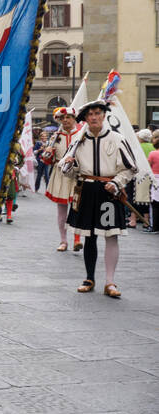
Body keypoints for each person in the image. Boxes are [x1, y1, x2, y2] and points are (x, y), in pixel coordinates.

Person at [64, 96, 136, 298]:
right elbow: (67, 170)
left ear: (104, 116)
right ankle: (89, 278)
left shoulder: (117, 139)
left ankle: (110, 282)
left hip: (109, 191)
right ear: (85, 118)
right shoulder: (79, 139)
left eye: (97, 113)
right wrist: (70, 165)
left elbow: (131, 168)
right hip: (86, 190)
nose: (94, 117)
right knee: (89, 236)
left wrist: (116, 183)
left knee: (111, 235)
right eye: (90, 114)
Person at [42, 105, 81, 251]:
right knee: (61, 210)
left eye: (68, 117)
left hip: (77, 174)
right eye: (62, 118)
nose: (65, 120)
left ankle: (77, 239)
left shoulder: (82, 135)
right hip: (60, 174)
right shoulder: (55, 137)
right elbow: (48, 161)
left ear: (74, 118)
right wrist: (48, 153)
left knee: (77, 208)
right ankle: (63, 241)